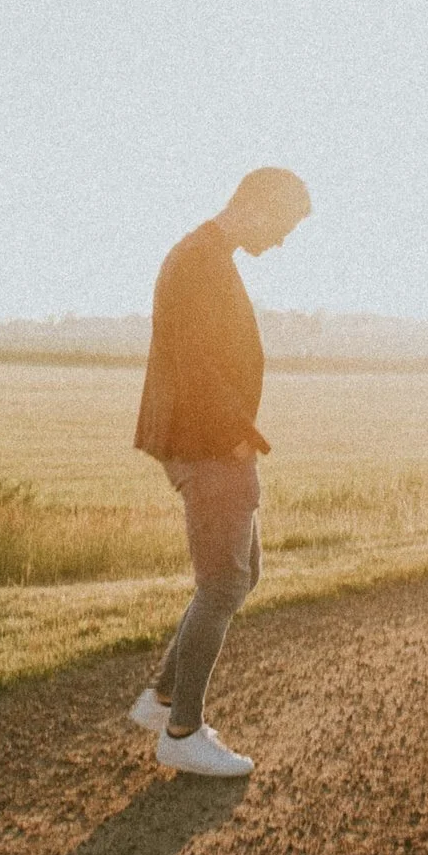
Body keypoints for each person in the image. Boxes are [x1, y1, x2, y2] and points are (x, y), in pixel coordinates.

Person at [127, 167, 312, 779]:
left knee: (241, 574)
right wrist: (236, 437)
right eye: (284, 226)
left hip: (211, 441)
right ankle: (183, 731)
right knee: (223, 584)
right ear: (257, 205)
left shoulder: (206, 254)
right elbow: (197, 363)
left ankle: (161, 699)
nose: (283, 242)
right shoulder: (201, 261)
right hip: (208, 445)